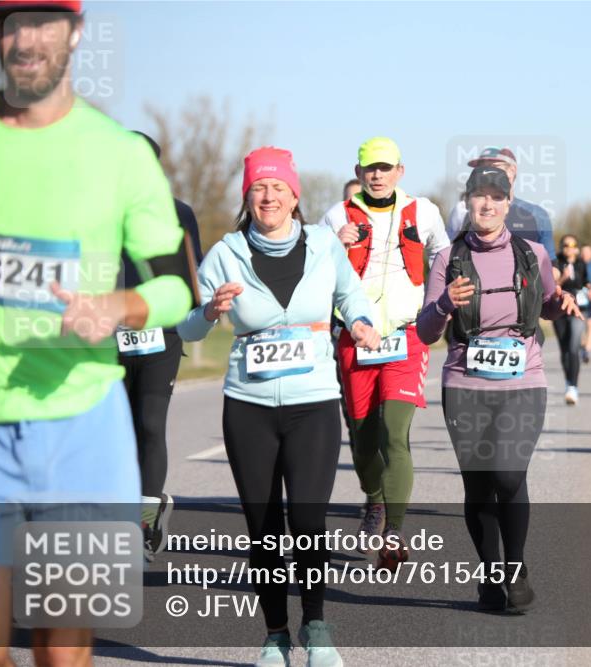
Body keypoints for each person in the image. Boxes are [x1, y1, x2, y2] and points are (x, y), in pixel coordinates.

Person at [0, 2, 195, 665]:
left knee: (60, 651)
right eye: (12, 20)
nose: (27, 37)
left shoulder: (120, 155)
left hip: (82, 429)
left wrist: (119, 306)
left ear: (74, 33)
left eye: (44, 21)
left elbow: (174, 286)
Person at [178, 146, 380, 666]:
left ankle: (316, 627)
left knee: (309, 520)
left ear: (295, 196)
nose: (268, 196)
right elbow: (187, 325)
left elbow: (351, 295)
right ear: (248, 197)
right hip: (248, 406)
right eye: (258, 188)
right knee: (263, 525)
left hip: (313, 402)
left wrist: (359, 322)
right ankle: (274, 636)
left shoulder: (322, 246)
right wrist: (209, 309)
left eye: (277, 188)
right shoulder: (225, 252)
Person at [416, 166, 581, 612]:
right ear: (467, 203)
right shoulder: (447, 259)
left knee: (508, 474)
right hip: (464, 380)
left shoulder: (533, 254)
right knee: (478, 484)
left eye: (495, 196)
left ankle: (515, 567)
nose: (486, 204)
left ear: (509, 203)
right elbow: (426, 331)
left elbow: (546, 302)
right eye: (478, 196)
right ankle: (490, 575)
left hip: (522, 377)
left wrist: (561, 304)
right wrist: (446, 302)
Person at [319, 137, 450, 569]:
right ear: (358, 174)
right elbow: (312, 275)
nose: (376, 175)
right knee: (362, 440)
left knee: (395, 431)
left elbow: (445, 259)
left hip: (405, 336)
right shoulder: (336, 216)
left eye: (384, 167)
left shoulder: (425, 211)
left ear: (400, 171)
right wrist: (333, 245)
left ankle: (394, 530)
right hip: (354, 340)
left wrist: (436, 307)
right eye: (369, 168)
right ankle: (374, 499)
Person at [123, 131, 204, 563]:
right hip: (108, 338)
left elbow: (192, 280)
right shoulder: (93, 213)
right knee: (117, 433)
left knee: (150, 424)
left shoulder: (179, 213)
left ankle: (144, 518)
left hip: (161, 337)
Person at [446, 146, 558, 262]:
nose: (486, 173)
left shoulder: (536, 214)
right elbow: (446, 258)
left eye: (494, 167)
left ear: (512, 171)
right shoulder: (460, 211)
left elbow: (550, 266)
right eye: (481, 168)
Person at [554, 234, 590, 404]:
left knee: (573, 347)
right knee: (564, 348)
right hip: (559, 310)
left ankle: (573, 387)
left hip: (578, 310)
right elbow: (552, 287)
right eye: (565, 245)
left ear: (577, 248)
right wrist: (563, 278)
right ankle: (568, 380)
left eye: (572, 244)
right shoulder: (556, 262)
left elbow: (587, 282)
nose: (569, 248)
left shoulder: (581, 263)